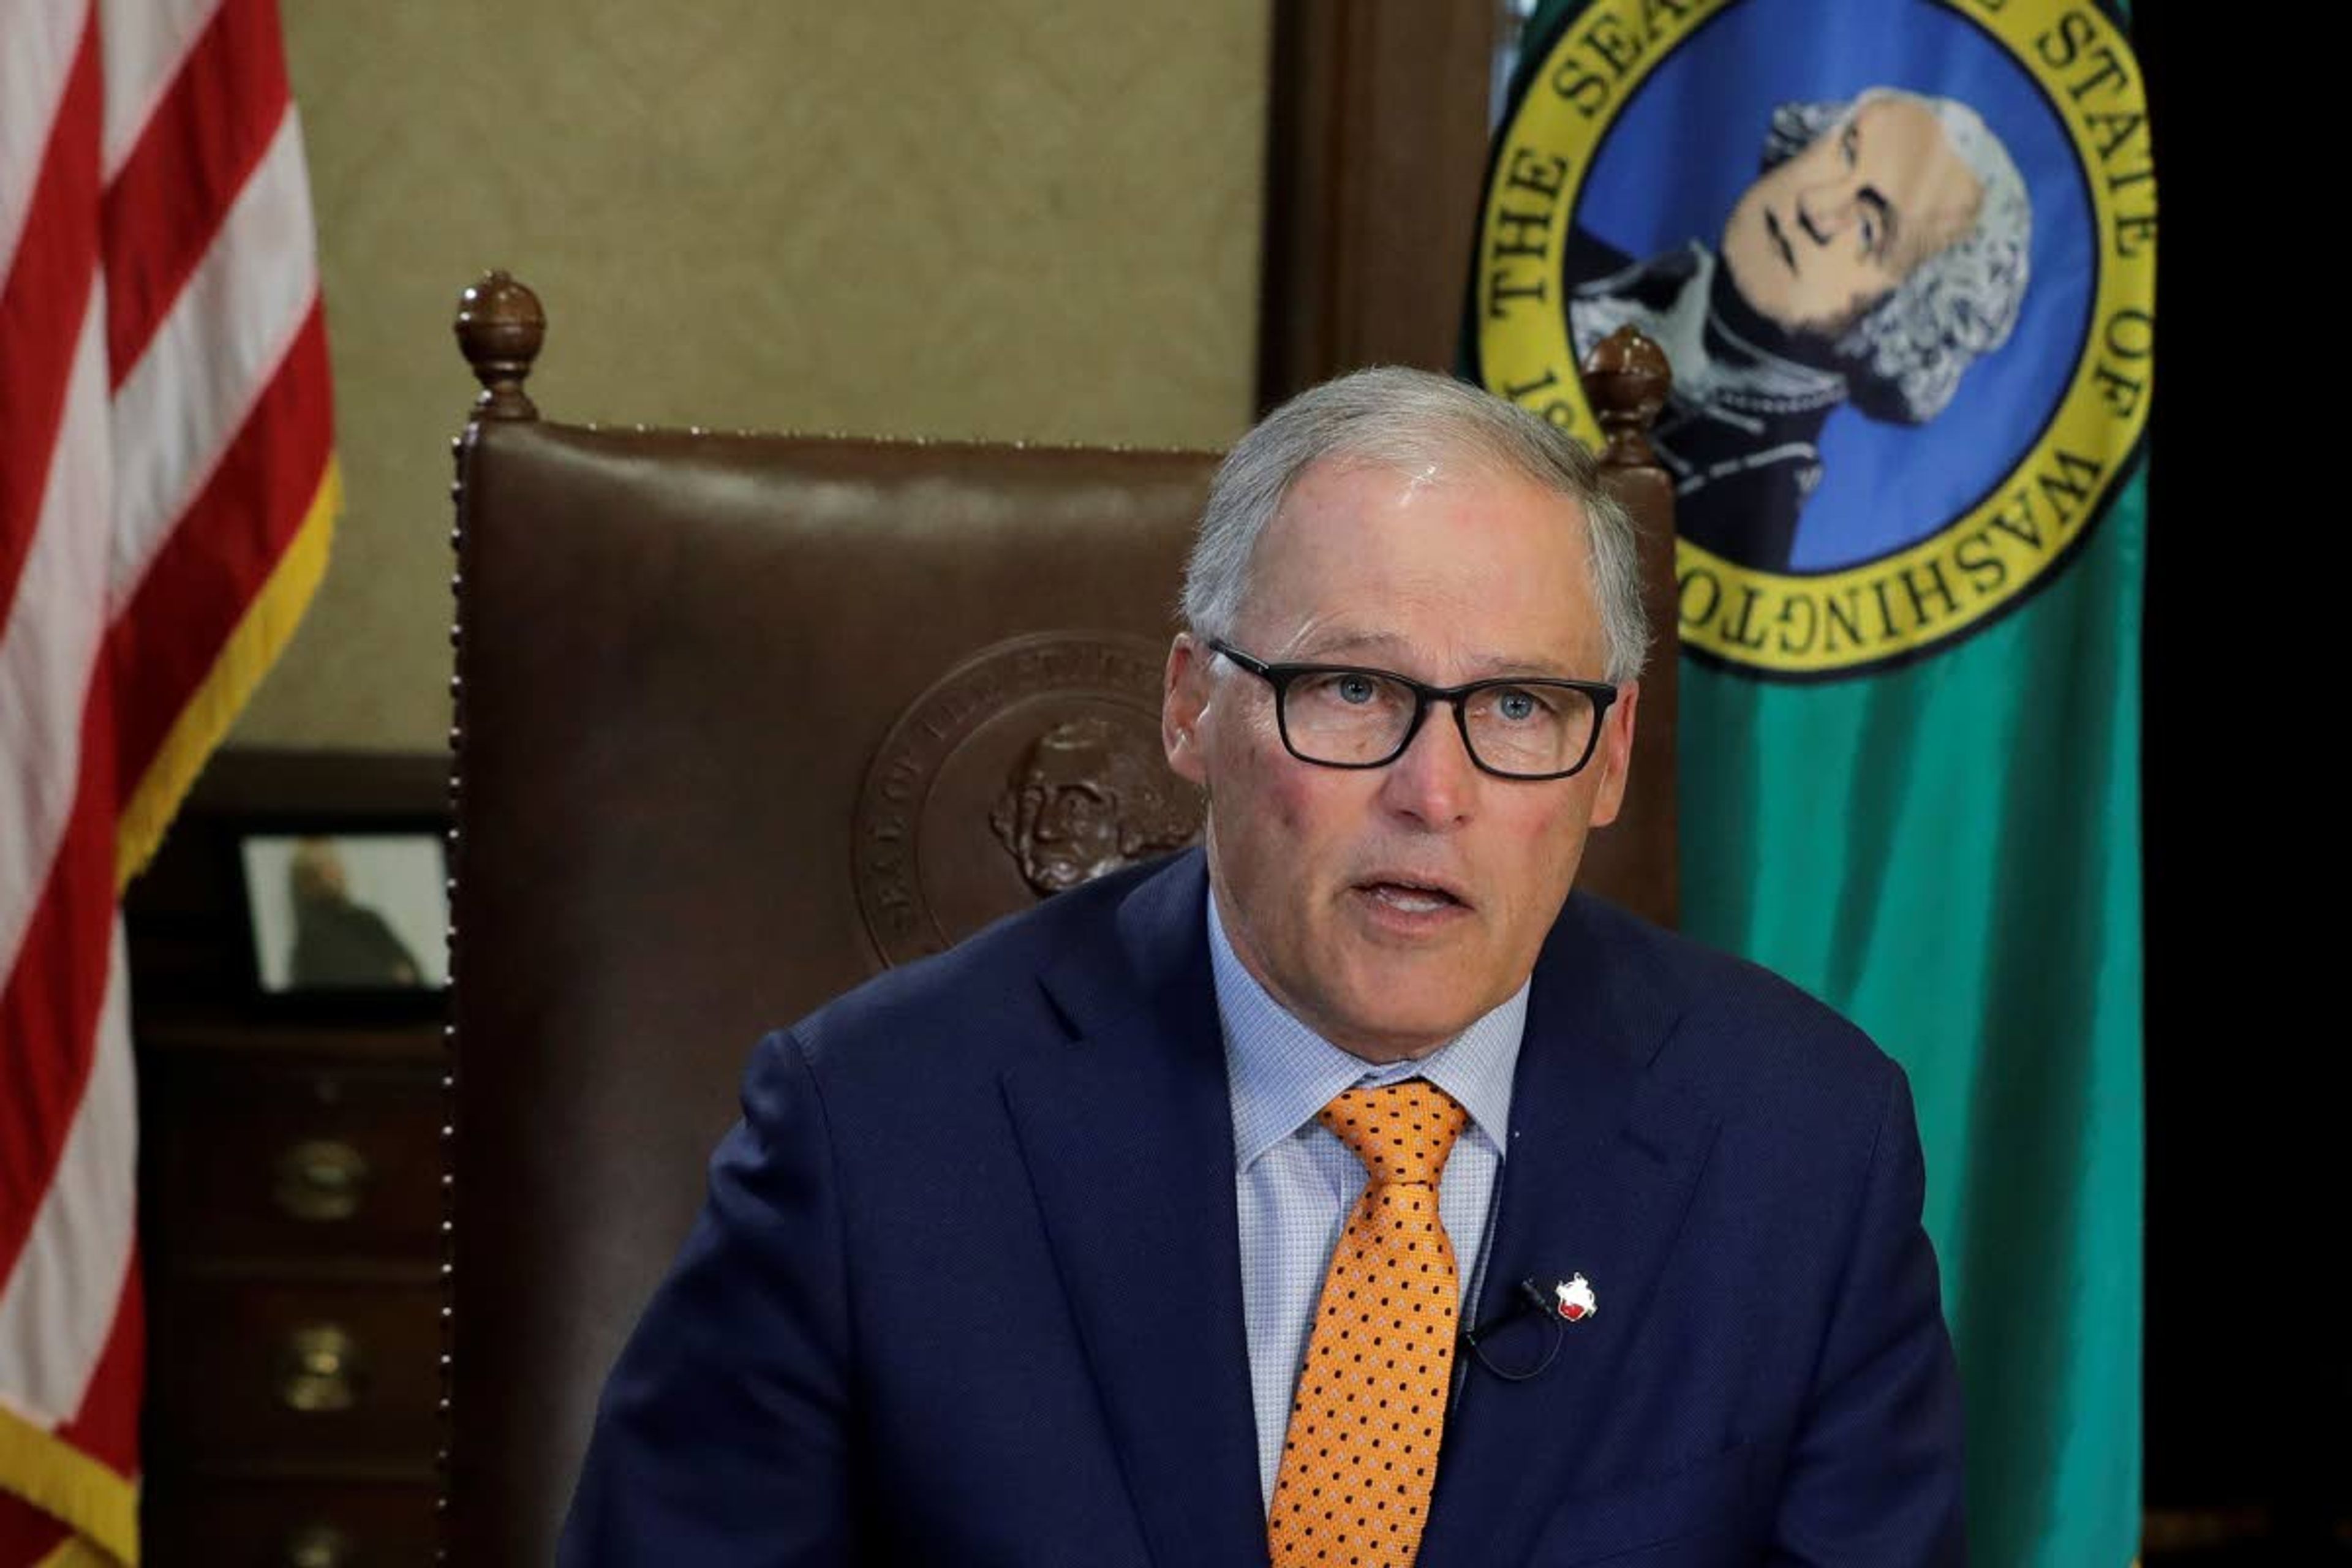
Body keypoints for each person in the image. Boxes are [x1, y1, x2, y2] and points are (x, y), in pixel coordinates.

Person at [559, 368, 1965, 1564]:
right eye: (1350, 687)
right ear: (1191, 708)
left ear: (1606, 756)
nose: (1433, 790)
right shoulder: (874, 1129)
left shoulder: (1799, 1148)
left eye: (1520, 705)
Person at [1566, 86, 2032, 569]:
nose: (1816, 206)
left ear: (1905, 319)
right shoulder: (1562, 277)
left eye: (1871, 227)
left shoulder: (1731, 520)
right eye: (1844, 150)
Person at [285, 837, 421, 988]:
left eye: (333, 864)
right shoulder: (311, 941)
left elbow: (412, 971)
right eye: (319, 869)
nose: (331, 874)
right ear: (306, 884)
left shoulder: (368, 920)